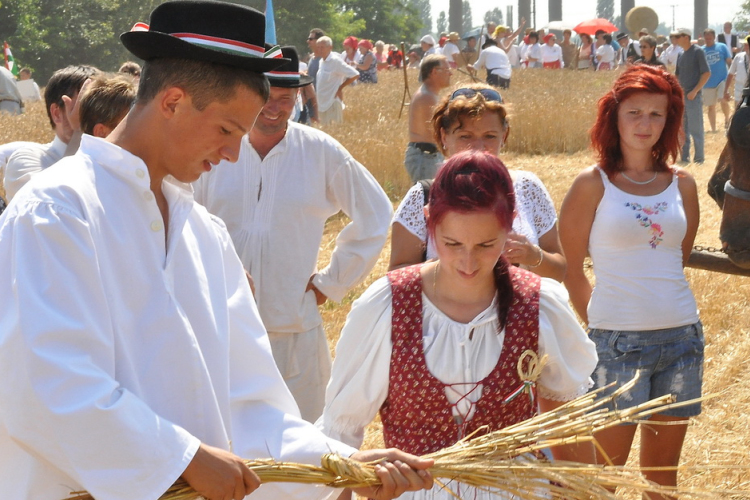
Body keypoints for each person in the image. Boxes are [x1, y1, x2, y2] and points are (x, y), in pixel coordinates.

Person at [0, 3, 434, 500]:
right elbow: (44, 383)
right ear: (173, 101)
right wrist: (181, 458)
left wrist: (340, 466)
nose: (232, 153)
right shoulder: (57, 211)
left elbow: (250, 404)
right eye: (228, 130)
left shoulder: (204, 234)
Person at [319, 150, 598, 500]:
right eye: (451, 244)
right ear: (428, 222)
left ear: (510, 224)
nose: (468, 262)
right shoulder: (389, 304)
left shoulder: (538, 304)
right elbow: (340, 432)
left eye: (486, 244)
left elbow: (565, 425)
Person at [193, 46, 393, 423]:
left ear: (298, 97)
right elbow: (183, 213)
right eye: (266, 97)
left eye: (286, 98)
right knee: (223, 432)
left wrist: (329, 284)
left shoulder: (320, 152)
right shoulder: (216, 148)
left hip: (293, 324)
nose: (274, 108)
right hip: (221, 323)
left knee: (304, 434)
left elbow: (376, 214)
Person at [559, 65, 702, 500]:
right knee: (604, 479)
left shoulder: (684, 185)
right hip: (616, 345)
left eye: (656, 115)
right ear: (613, 117)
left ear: (670, 121)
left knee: (662, 479)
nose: (645, 124)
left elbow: (676, 259)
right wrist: (602, 328)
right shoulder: (592, 184)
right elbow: (571, 270)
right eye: (634, 112)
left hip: (682, 341)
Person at [391, 84, 566, 283]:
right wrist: (451, 264)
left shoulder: (528, 187)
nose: (478, 147)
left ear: (504, 137)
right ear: (443, 137)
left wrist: (532, 256)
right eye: (465, 136)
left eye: (489, 136)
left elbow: (559, 271)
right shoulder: (423, 196)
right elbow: (396, 277)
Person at [4, 64, 99, 200]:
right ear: (56, 113)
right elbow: (55, 203)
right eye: (85, 108)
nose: (98, 116)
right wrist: (80, 130)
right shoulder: (26, 160)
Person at [404, 54, 452, 183]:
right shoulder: (427, 97)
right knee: (428, 200)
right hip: (426, 158)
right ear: (434, 72)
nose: (451, 74)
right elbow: (437, 131)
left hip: (428, 156)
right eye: (447, 70)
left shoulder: (429, 94)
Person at [674, 27, 710, 164]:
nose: (676, 39)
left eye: (678, 36)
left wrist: (695, 91)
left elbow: (706, 73)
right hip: (682, 97)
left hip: (693, 97)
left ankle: (699, 159)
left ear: (686, 37)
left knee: (696, 129)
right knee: (683, 130)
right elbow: (677, 75)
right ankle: (684, 157)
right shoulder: (680, 54)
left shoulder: (698, 52)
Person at [316, 36, 359, 125]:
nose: (320, 50)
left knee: (334, 131)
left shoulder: (335, 61)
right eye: (318, 47)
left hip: (332, 102)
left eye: (322, 47)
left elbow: (355, 74)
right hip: (322, 103)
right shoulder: (321, 61)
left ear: (330, 48)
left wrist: (340, 88)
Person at [702, 29, 733, 132]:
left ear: (714, 37)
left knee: (723, 100)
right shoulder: (701, 51)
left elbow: (729, 61)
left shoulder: (722, 47)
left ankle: (727, 119)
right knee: (711, 106)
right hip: (707, 82)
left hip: (722, 80)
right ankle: (713, 129)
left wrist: (731, 74)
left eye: (710, 38)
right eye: (706, 38)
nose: (708, 40)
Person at [725, 36, 750, 108]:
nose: (746, 46)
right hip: (739, 92)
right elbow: (731, 74)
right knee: (739, 114)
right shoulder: (738, 57)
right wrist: (726, 90)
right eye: (745, 45)